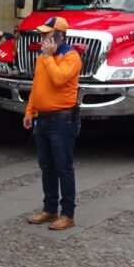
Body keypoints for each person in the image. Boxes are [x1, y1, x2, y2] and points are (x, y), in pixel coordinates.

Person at [23, 16, 82, 231]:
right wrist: (30, 111)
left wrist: (48, 57)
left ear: (59, 35)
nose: (41, 38)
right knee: (47, 167)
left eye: (46, 34)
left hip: (62, 120)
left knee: (63, 167)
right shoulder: (43, 57)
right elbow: (37, 86)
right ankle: (50, 209)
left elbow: (59, 79)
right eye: (41, 34)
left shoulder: (71, 56)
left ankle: (68, 214)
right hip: (43, 119)